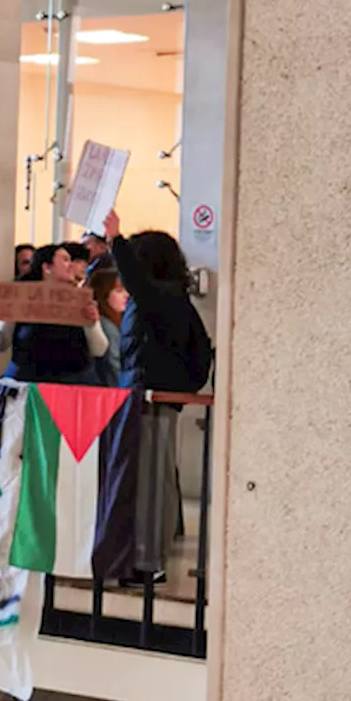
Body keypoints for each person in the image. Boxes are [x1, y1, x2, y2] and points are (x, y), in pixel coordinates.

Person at [104, 209, 212, 585]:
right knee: (155, 477)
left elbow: (135, 280)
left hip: (152, 397)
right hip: (151, 395)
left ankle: (149, 562)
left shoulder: (159, 297)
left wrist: (115, 239)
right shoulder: (170, 298)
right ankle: (149, 557)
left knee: (150, 480)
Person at [0, 244, 108, 384]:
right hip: (28, 388)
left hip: (72, 387)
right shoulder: (19, 298)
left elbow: (100, 350)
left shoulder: (80, 300)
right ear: (47, 267)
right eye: (65, 260)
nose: (72, 265)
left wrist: (92, 324)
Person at [88, 268, 128, 386]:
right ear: (104, 294)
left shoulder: (118, 322)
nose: (126, 295)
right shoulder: (106, 326)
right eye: (119, 291)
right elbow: (114, 364)